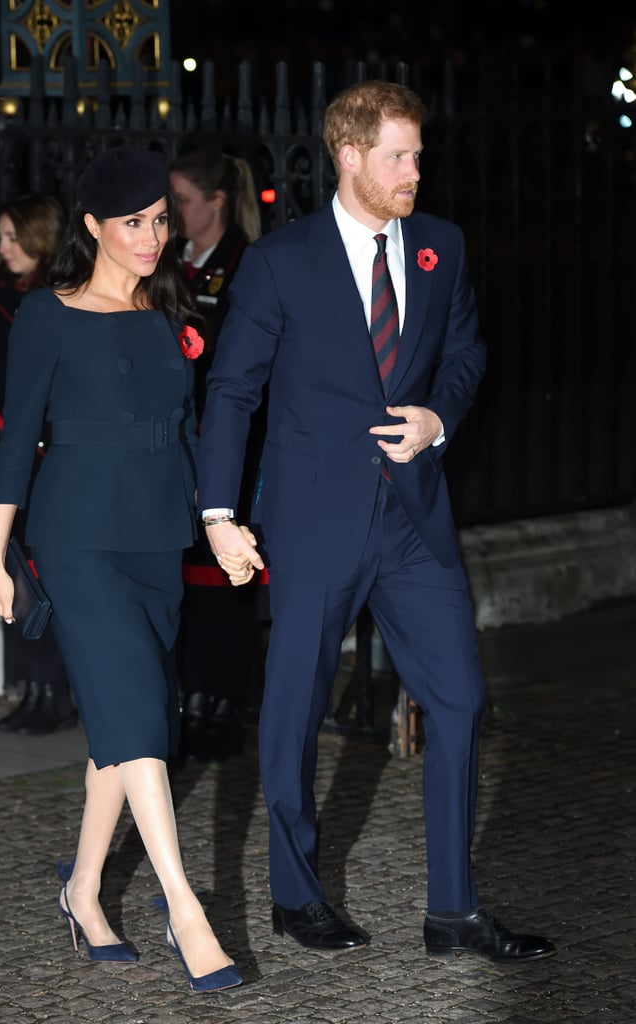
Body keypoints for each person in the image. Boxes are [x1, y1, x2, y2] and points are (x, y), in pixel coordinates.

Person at [196, 80, 557, 963]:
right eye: (398, 155)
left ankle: (454, 912)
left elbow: (467, 353)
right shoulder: (282, 261)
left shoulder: (441, 247)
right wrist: (216, 512)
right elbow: (233, 391)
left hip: (413, 519)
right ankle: (295, 894)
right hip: (315, 518)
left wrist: (438, 417)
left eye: (419, 155)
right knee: (293, 710)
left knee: (462, 702)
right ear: (349, 155)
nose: (414, 171)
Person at [0, 145, 242, 992]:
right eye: (133, 222)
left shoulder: (172, 307)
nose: (150, 235)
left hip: (153, 537)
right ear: (92, 226)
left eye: (160, 219)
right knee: (142, 720)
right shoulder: (47, 315)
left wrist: (221, 526)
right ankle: (185, 910)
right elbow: (17, 438)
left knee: (122, 728)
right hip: (76, 539)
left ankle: (85, 893)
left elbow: (198, 427)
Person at [0, 193, 77, 734]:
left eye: (12, 237)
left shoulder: (61, 298)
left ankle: (54, 692)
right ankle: (30, 688)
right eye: (0, 238)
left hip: (40, 462)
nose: (3, 248)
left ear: (41, 238)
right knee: (3, 577)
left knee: (40, 583)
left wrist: (8, 428)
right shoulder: (0, 293)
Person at [169, 148, 267, 760]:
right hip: (181, 435)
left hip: (224, 435)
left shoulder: (244, 263)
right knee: (189, 587)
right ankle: (194, 698)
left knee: (224, 584)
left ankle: (225, 704)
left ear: (216, 202)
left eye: (181, 200)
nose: (174, 212)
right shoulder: (177, 259)